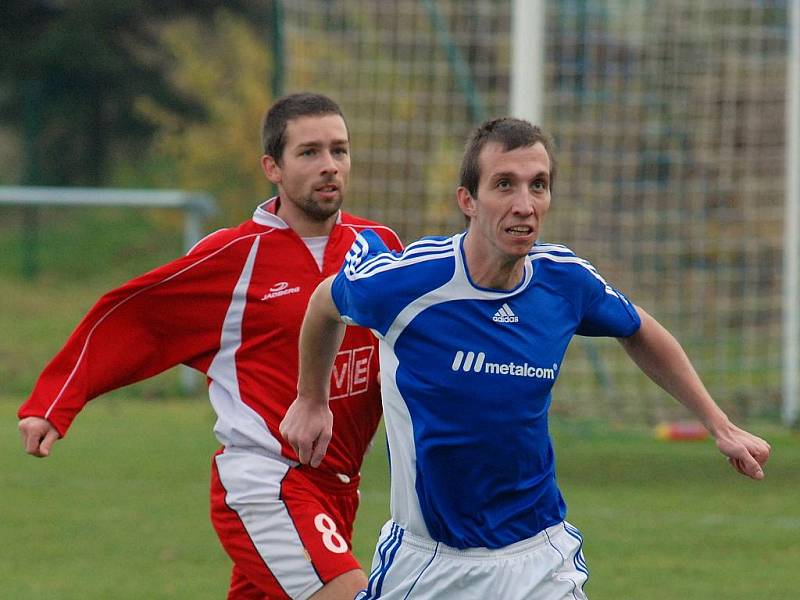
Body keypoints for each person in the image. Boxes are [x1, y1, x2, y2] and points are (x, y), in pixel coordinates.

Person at [280, 117, 772, 599]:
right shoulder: (408, 285)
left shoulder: (563, 281)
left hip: (540, 557)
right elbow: (325, 302)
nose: (524, 205)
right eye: (504, 185)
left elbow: (640, 328)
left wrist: (719, 424)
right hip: (429, 563)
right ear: (468, 201)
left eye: (538, 186)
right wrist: (310, 399)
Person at [17, 92, 403, 600]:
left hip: (339, 487)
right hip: (266, 483)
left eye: (339, 150)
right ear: (273, 167)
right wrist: (53, 403)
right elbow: (134, 318)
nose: (329, 166)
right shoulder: (233, 257)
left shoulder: (378, 246)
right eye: (309, 153)